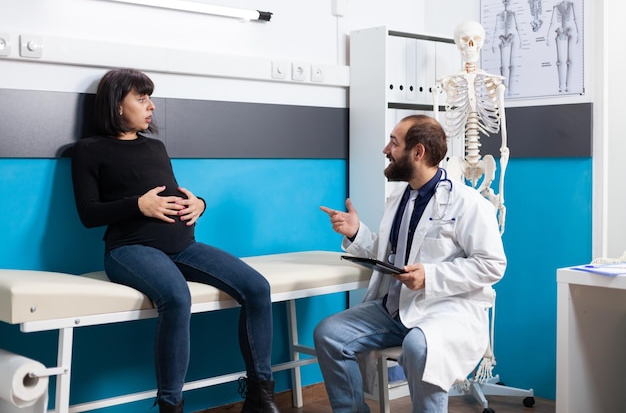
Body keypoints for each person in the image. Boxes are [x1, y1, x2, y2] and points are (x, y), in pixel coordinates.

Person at [71, 68, 280, 413]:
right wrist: (138, 204)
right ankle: (171, 405)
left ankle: (260, 394)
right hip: (130, 249)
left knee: (257, 287)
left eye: (150, 97)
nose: (151, 105)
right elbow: (88, 214)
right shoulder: (89, 150)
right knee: (176, 297)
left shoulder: (155, 147)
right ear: (118, 106)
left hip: (184, 246)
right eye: (141, 98)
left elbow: (176, 196)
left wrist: (200, 205)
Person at [314, 114, 506, 413]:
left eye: (394, 142)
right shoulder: (399, 198)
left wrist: (431, 276)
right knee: (330, 334)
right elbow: (391, 253)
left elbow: (492, 265)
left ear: (418, 152)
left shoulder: (468, 204)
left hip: (444, 310)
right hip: (394, 309)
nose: (385, 149)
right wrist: (355, 231)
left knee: (421, 347)